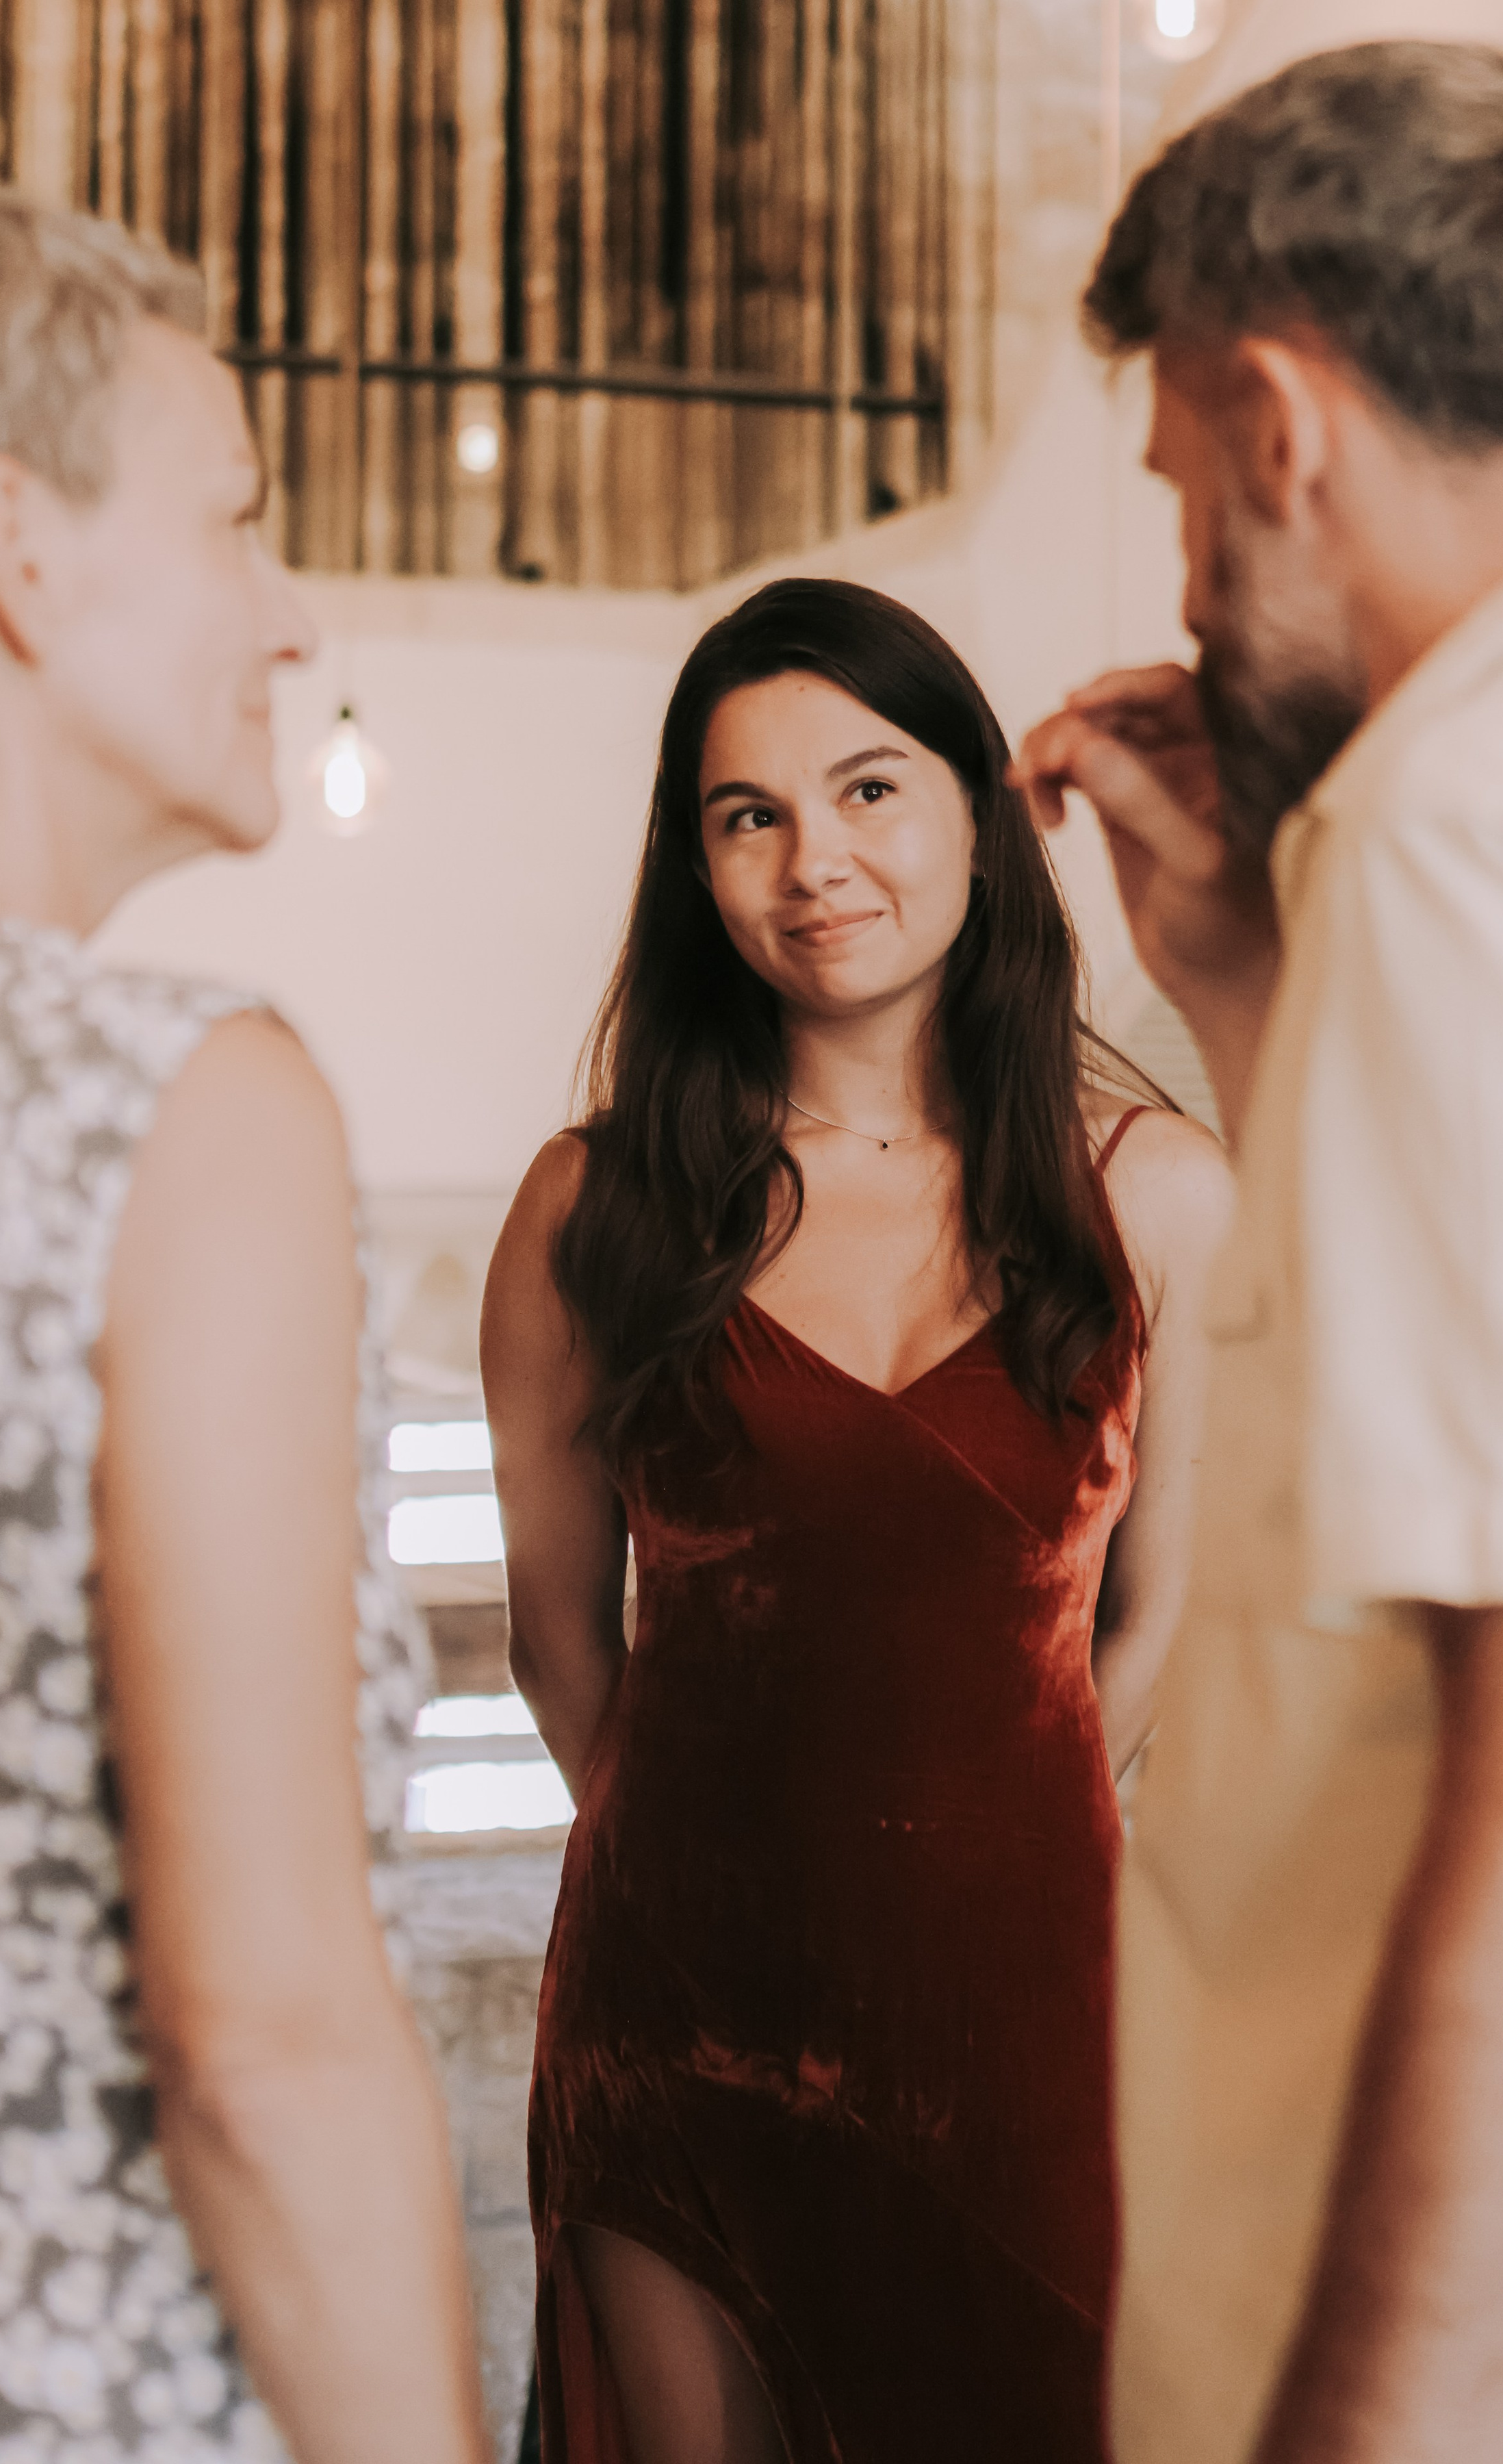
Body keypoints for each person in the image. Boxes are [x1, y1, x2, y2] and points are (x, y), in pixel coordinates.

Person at [1013, 40, 1503, 2464]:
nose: (1194, 593)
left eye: (1191, 502)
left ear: (1285, 425)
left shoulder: (1470, 838)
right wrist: (1242, 981)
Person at [482, 577, 1233, 2464]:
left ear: (980, 810)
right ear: (698, 866)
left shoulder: (1159, 1197)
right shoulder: (591, 1210)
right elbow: (559, 1640)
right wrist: (731, 1876)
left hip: (1028, 2016)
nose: (815, 860)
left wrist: (969, 1848)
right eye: (750, 816)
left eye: (870, 790)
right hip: (680, 2021)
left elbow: (1157, 1624)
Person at [0, 195, 489, 2462]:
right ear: (20, 545)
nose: (291, 616)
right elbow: (265, 2041)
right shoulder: (176, 1113)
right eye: (237, 520)